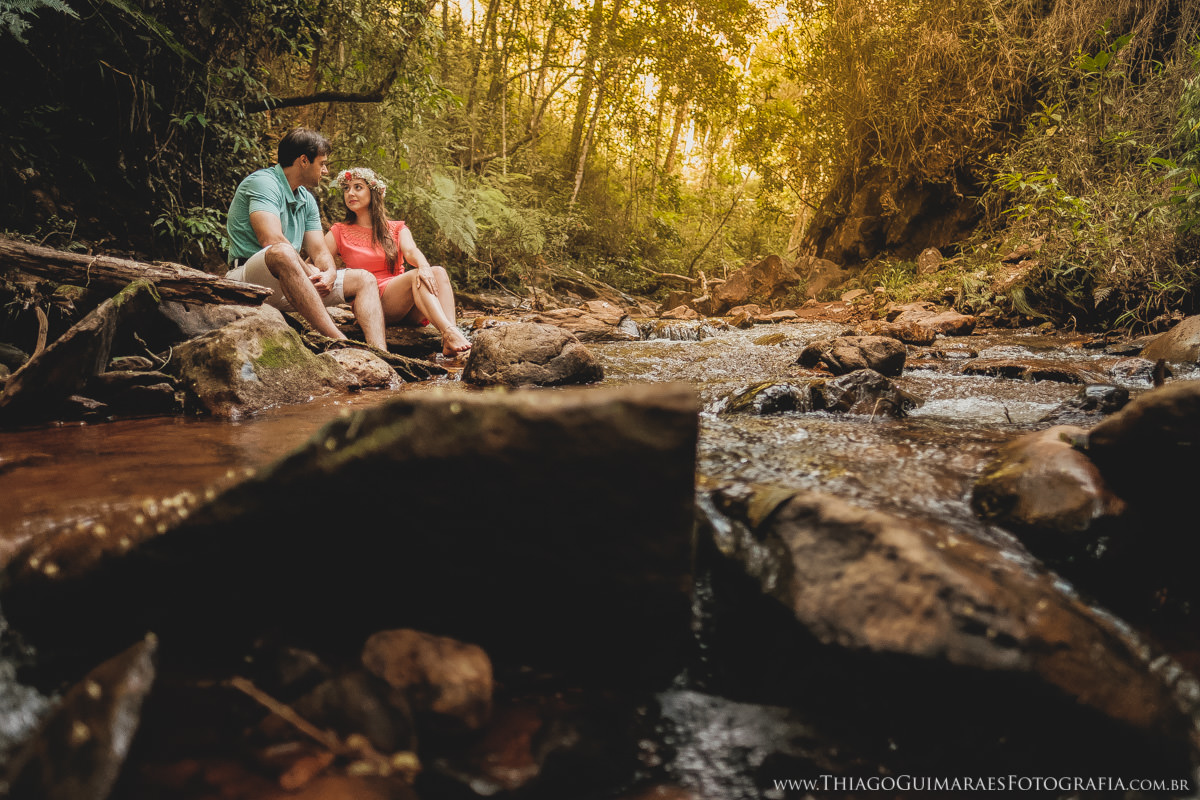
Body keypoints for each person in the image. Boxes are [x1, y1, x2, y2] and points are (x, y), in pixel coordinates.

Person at [225, 128, 388, 351]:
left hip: (293, 285)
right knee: (282, 251)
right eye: (322, 163)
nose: (326, 170)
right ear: (303, 161)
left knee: (365, 279)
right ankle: (341, 343)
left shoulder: (306, 198)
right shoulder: (264, 182)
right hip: (249, 278)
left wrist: (329, 273)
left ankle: (381, 354)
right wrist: (308, 271)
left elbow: (320, 251)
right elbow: (270, 238)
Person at [325, 167, 472, 357]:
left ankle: (449, 338)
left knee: (439, 272)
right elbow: (317, 259)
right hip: (373, 303)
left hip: (404, 304)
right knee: (414, 277)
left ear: (374, 191)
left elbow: (411, 251)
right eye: (346, 188)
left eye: (358, 187)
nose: (350, 193)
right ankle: (450, 332)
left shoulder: (396, 228)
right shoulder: (339, 231)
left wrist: (425, 266)